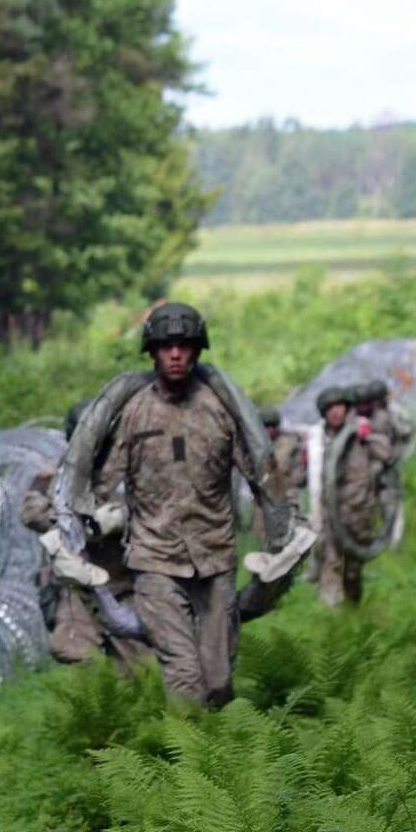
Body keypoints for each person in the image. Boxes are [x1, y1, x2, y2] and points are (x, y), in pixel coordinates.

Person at [94, 303, 255, 707]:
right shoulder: (133, 412)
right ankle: (185, 764)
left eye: (184, 345)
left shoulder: (221, 410)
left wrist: (288, 525)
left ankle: (215, 761)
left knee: (218, 682)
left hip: (215, 558)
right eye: (167, 346)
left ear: (198, 350)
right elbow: (99, 480)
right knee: (184, 675)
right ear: (153, 352)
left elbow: (260, 471)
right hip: (155, 562)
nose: (176, 354)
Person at [20, 402, 142, 671]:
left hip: (124, 583)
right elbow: (30, 512)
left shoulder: (130, 474)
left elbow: (160, 513)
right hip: (78, 587)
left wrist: (119, 520)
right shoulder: (54, 476)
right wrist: (67, 522)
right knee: (72, 650)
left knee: (138, 668)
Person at [310, 386, 395, 607]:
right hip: (331, 516)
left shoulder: (360, 432)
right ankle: (332, 619)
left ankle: (352, 612)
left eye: (340, 406)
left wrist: (370, 437)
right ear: (324, 413)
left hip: (359, 516)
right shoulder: (318, 440)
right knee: (332, 563)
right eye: (330, 408)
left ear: (347, 408)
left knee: (353, 572)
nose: (336, 412)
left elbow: (388, 456)